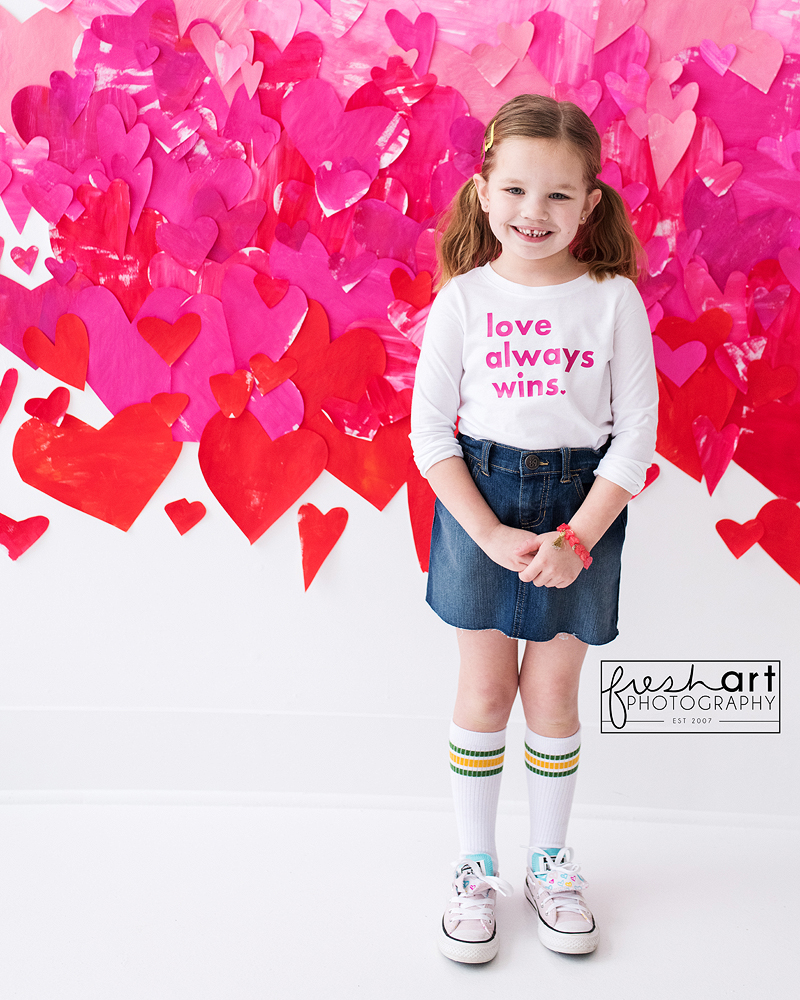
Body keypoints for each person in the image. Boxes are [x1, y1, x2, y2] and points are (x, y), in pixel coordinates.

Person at [409, 94, 658, 964]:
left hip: (577, 512)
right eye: (515, 190)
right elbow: (431, 436)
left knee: (552, 691)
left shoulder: (613, 300)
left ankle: (550, 864)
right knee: (485, 689)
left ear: (591, 201)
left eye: (558, 195)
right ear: (483, 192)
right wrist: (481, 532)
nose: (533, 213)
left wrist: (577, 538)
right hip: (481, 505)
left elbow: (634, 440)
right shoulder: (463, 300)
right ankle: (475, 867)